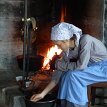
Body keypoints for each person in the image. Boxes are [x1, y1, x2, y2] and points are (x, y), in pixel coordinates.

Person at [30, 22, 107, 107]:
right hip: (90, 70)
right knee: (65, 76)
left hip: (103, 68)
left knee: (73, 75)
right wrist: (42, 94)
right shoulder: (67, 52)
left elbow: (81, 66)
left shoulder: (86, 40)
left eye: (59, 45)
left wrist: (59, 65)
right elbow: (56, 78)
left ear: (66, 40)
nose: (58, 48)